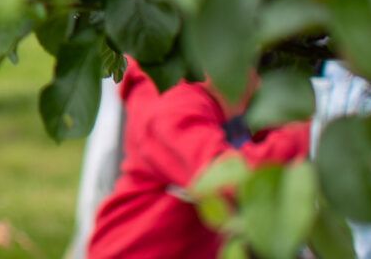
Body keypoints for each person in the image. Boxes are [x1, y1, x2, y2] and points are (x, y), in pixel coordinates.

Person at [86, 58, 310, 259]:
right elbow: (223, 178)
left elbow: (264, 133)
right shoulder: (164, 101)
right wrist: (308, 134)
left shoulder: (227, 80)